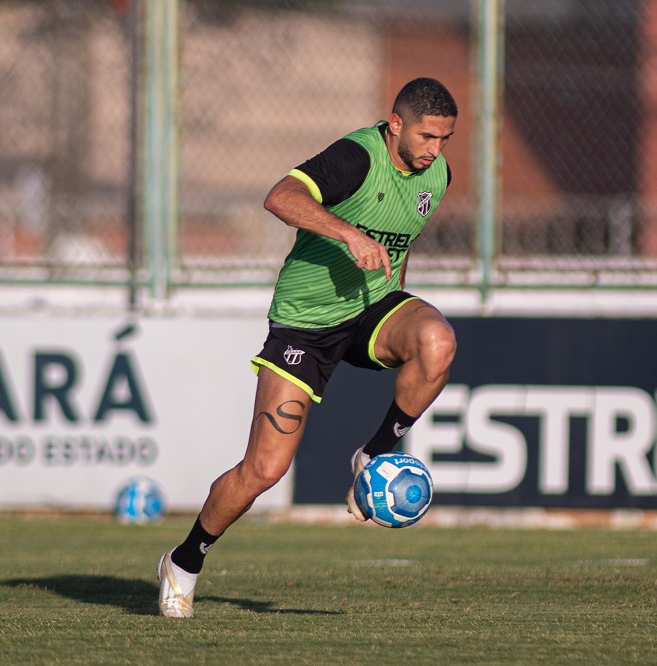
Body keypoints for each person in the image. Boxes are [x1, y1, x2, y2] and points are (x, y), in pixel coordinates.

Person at [157, 77, 459, 618]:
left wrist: (394, 293)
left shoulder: (437, 175)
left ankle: (375, 453)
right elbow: (280, 197)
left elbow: (399, 246)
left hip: (372, 309)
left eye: (445, 138)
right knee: (263, 471)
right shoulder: (357, 158)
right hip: (305, 326)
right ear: (395, 125)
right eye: (427, 135)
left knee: (437, 341)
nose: (436, 149)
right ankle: (185, 560)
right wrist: (348, 234)